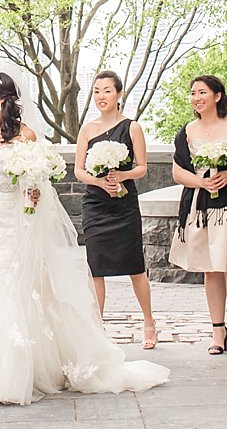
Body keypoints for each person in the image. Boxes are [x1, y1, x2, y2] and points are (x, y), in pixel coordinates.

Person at [0, 71, 170, 404]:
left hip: (10, 222)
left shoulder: (26, 136)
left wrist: (33, 194)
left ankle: (8, 371)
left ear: (1, 98)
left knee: (10, 288)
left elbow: (34, 182)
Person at [169, 75, 227, 361]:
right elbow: (178, 171)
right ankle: (218, 331)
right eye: (193, 93)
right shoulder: (187, 130)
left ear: (217, 96)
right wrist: (201, 183)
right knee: (210, 269)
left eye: (203, 92)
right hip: (201, 206)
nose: (197, 97)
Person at [74, 70, 157, 349]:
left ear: (119, 93)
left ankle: (148, 322)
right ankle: (97, 328)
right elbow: (78, 170)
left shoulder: (131, 127)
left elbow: (142, 168)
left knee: (135, 266)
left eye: (107, 90)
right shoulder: (87, 129)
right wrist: (98, 180)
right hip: (96, 205)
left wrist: (121, 176)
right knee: (95, 268)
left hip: (123, 205)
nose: (101, 96)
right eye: (96, 91)